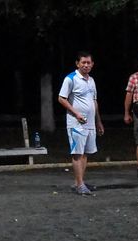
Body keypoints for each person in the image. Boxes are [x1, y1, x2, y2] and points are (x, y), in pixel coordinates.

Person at [58, 51, 105, 195]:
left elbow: (94, 102)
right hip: (76, 123)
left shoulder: (91, 80)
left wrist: (98, 121)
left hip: (89, 123)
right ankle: (79, 185)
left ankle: (80, 182)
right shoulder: (70, 79)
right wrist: (76, 113)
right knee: (77, 153)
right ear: (77, 63)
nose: (86, 65)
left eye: (88, 63)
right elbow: (61, 98)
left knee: (85, 153)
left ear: (92, 64)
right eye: (83, 62)